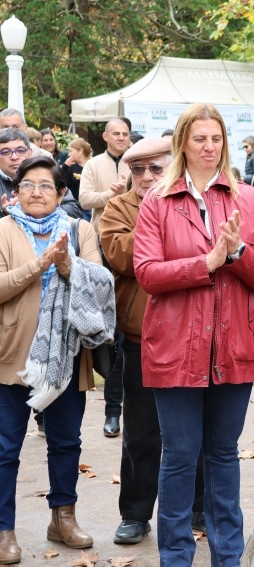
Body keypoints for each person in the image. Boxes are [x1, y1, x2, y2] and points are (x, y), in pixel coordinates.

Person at [133, 103, 254, 565]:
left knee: (222, 455)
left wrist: (236, 254)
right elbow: (147, 273)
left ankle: (227, 556)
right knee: (178, 456)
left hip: (234, 345)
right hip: (175, 348)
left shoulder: (249, 200)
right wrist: (207, 263)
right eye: (199, 139)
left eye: (216, 138)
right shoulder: (157, 200)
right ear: (182, 144)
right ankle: (175, 556)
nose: (209, 147)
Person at [1, 155, 110, 563]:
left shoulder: (80, 229)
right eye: (27, 185)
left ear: (62, 193)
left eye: (46, 185)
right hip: (10, 356)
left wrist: (68, 266)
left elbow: (99, 284)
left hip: (66, 357)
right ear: (15, 193)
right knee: (4, 448)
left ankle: (63, 517)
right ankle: (3, 530)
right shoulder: (3, 230)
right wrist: (39, 265)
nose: (36, 192)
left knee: (66, 443)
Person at [99, 136, 208, 545]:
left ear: (173, 165)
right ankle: (136, 514)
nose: (145, 177)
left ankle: (199, 508)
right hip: (140, 337)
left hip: (193, 334)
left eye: (155, 169)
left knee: (196, 431)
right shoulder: (118, 208)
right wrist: (171, 235)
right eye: (137, 169)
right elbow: (122, 256)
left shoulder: (194, 198)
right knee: (142, 432)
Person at [79, 117, 131, 436]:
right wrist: (111, 196)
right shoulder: (94, 165)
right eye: (117, 134)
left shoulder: (139, 161)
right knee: (110, 334)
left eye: (126, 133)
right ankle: (112, 410)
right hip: (100, 247)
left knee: (126, 335)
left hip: (136, 250)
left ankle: (124, 410)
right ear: (105, 136)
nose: (122, 138)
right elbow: (85, 200)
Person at [0, 127, 32, 217]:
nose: (14, 157)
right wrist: (5, 212)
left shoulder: (46, 175)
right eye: (5, 152)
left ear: (30, 153)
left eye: (20, 151)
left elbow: (72, 207)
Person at [61, 138, 92, 203]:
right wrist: (65, 166)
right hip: (77, 205)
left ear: (80, 151)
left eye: (71, 151)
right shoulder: (71, 166)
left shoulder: (94, 164)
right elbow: (60, 182)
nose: (69, 154)